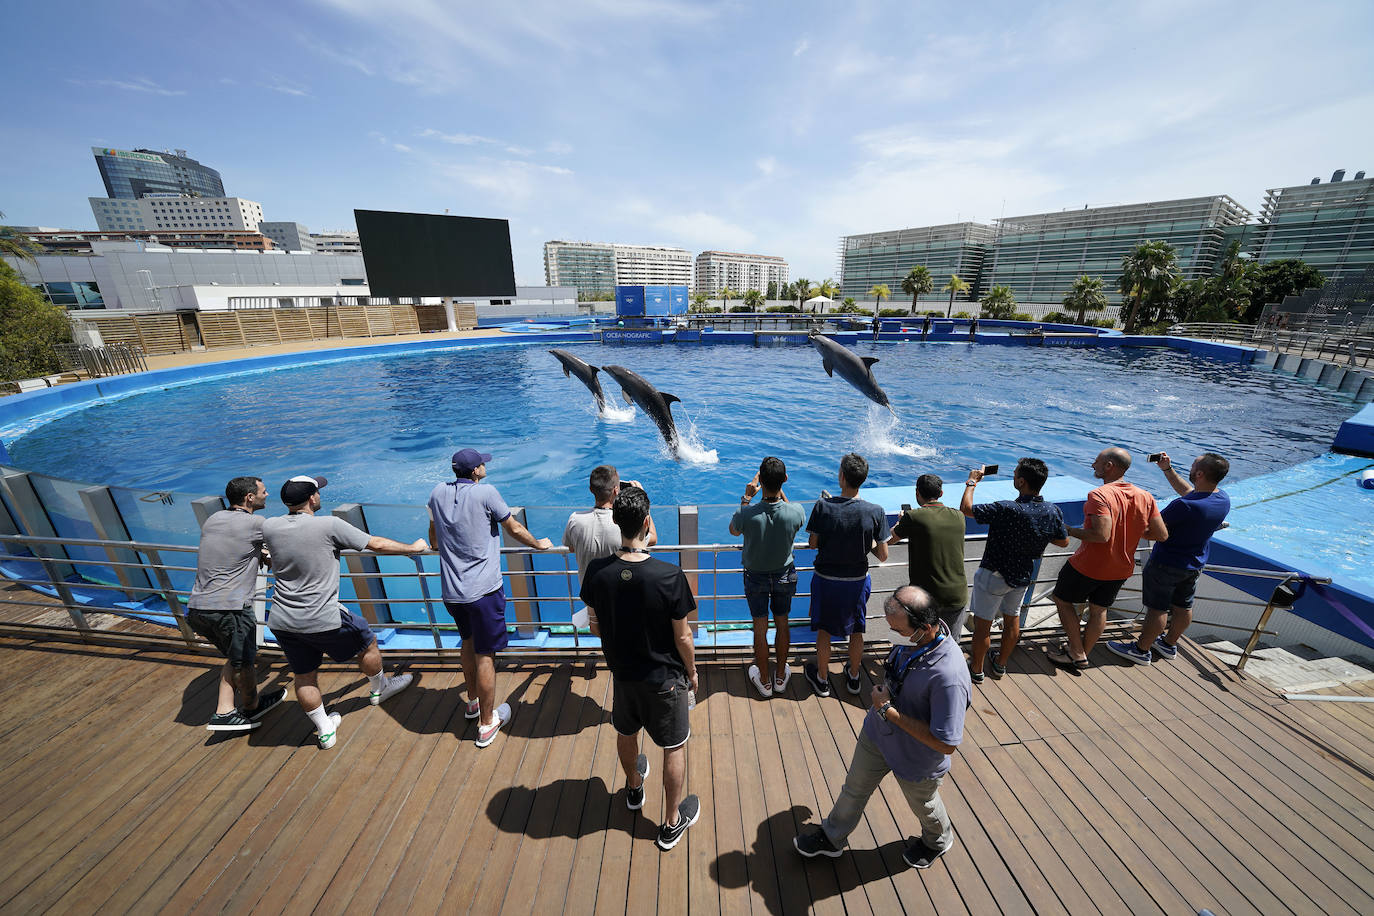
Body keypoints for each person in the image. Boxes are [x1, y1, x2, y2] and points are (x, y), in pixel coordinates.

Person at [793, 586, 970, 869]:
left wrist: (888, 710)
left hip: (916, 758)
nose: (894, 636)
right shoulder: (916, 641)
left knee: (923, 805)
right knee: (854, 788)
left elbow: (946, 743)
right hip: (878, 734)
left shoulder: (949, 677)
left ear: (924, 628)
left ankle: (938, 839)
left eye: (898, 631)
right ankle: (832, 836)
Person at [263, 475, 427, 749]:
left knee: (303, 675)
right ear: (312, 498)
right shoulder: (328, 525)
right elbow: (376, 544)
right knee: (368, 642)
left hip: (282, 618)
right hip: (322, 615)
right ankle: (380, 688)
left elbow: (262, 548)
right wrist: (412, 548)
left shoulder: (270, 526)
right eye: (317, 492)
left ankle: (325, 729)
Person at [581, 485, 701, 851]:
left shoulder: (599, 574)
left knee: (626, 733)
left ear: (617, 522)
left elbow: (595, 625)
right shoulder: (668, 575)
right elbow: (683, 638)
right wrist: (692, 672)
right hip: (665, 681)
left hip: (623, 676)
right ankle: (669, 823)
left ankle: (634, 789)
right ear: (647, 522)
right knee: (674, 747)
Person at [428, 448, 553, 748]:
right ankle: (486, 724)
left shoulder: (436, 493)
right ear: (474, 472)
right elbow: (514, 527)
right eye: (482, 463)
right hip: (483, 591)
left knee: (467, 644)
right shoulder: (486, 493)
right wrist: (538, 544)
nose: (485, 465)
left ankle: (472, 702)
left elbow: (434, 537)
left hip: (452, 591)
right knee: (485, 654)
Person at [1049, 448, 1168, 670]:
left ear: (1109, 466)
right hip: (1121, 569)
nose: (1093, 465)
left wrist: (1067, 530)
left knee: (1062, 601)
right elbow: (1162, 534)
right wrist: (1133, 532)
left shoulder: (1100, 495)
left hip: (1088, 565)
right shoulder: (1145, 496)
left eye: (1096, 461)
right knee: (1099, 610)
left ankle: (1076, 651)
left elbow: (1101, 535)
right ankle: (1084, 653)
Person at [1107, 452, 1231, 665]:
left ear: (1199, 473)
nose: (1190, 468)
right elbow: (1190, 493)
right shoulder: (1222, 499)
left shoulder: (1183, 506)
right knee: (1184, 607)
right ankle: (1168, 644)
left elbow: (1152, 531)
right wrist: (1167, 469)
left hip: (1167, 564)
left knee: (1157, 609)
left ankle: (1140, 650)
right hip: (1194, 564)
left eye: (1193, 466)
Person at [187, 475, 285, 732]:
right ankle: (231, 712)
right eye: (263, 491)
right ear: (249, 497)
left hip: (198, 608)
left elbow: (234, 545)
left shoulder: (213, 519)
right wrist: (266, 555)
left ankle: (239, 706)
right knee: (243, 662)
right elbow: (286, 546)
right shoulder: (256, 523)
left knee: (236, 656)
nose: (267, 494)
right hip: (229, 609)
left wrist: (259, 553)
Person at [960, 459, 1069, 682]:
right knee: (1012, 621)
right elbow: (1063, 542)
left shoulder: (1006, 508)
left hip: (993, 574)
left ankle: (977, 670)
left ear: (1021, 481)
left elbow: (967, 509)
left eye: (1015, 474)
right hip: (1022, 576)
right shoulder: (1052, 511)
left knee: (983, 627)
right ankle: (1000, 665)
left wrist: (972, 482)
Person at [804, 453, 891, 698]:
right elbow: (882, 555)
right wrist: (866, 541)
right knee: (856, 630)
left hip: (826, 579)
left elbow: (813, 543)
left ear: (841, 477)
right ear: (862, 479)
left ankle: (822, 680)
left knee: (824, 630)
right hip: (857, 581)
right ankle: (853, 677)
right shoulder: (875, 511)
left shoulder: (823, 506)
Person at [730, 457, 806, 698]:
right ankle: (781, 676)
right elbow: (793, 515)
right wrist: (779, 489)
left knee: (759, 628)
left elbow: (734, 530)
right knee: (782, 624)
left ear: (760, 481)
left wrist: (747, 497)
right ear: (784, 480)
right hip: (785, 575)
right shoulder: (796, 511)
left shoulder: (747, 513)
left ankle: (764, 680)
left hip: (755, 577)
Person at [889, 473, 968, 640]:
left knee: (922, 641)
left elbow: (890, 539)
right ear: (941, 493)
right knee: (950, 645)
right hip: (956, 593)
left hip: (926, 598)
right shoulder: (959, 516)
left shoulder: (913, 516)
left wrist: (900, 522)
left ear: (917, 493)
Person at [562, 464, 656, 584]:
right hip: (618, 597)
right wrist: (642, 499)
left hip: (590, 598)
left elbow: (571, 548)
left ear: (591, 489)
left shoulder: (575, 520)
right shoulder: (624, 523)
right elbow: (653, 538)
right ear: (616, 490)